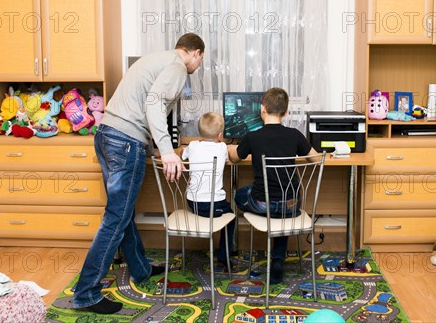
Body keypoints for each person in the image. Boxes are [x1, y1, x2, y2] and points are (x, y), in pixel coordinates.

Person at [72, 33, 205, 314]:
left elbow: (137, 106)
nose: (198, 65)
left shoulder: (154, 59)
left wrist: (153, 149)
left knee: (122, 213)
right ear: (196, 53)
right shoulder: (178, 67)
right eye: (200, 60)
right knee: (116, 218)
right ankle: (86, 293)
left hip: (107, 134)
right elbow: (154, 104)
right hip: (124, 142)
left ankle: (141, 269)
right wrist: (168, 150)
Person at [228, 87, 319, 284]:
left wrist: (231, 148)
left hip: (263, 204)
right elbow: (316, 158)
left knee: (238, 194)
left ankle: (237, 249)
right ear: (286, 112)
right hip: (291, 205)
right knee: (282, 206)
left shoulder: (253, 137)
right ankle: (278, 259)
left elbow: (234, 159)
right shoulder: (295, 135)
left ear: (262, 109)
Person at [182, 112, 236, 267]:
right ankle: (224, 256)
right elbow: (228, 159)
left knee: (219, 209)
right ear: (220, 135)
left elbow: (182, 155)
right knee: (231, 218)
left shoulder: (192, 146)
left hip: (193, 203)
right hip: (214, 204)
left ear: (199, 132)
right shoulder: (222, 148)